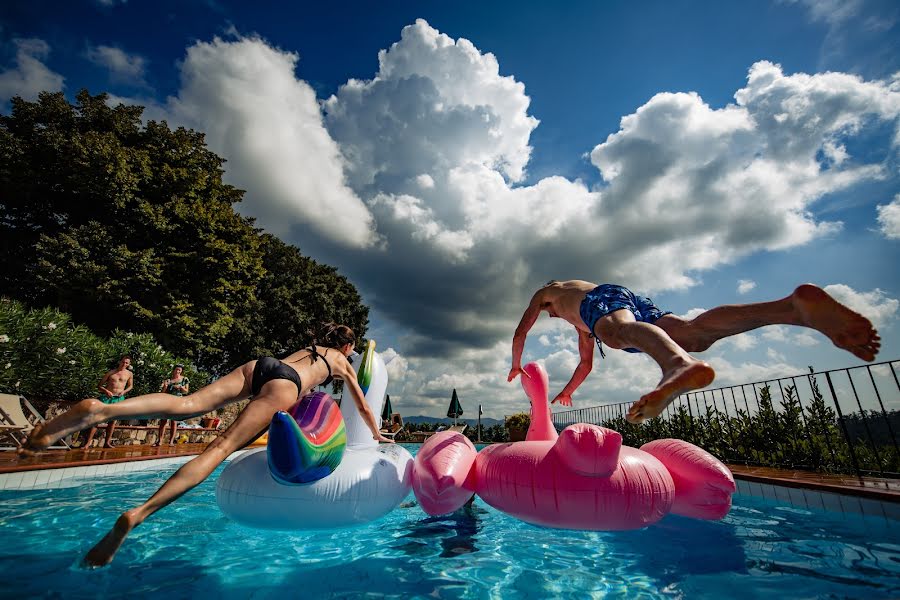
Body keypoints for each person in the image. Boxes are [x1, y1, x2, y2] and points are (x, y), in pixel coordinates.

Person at [19, 323, 394, 567]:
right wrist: (377, 436)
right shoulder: (341, 361)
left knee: (187, 405)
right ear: (346, 345)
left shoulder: (309, 346)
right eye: (350, 348)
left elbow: (294, 372)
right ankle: (141, 513)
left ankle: (102, 410)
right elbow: (360, 404)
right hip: (286, 384)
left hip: (260, 365)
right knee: (218, 449)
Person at [508, 281, 880, 425]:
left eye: (550, 313)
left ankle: (677, 365)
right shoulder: (583, 325)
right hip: (628, 299)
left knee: (617, 333)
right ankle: (790, 308)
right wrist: (569, 391)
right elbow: (585, 363)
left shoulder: (550, 292)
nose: (552, 316)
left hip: (605, 301)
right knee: (692, 333)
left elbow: (521, 329)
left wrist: (514, 364)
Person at [81, 355, 134, 449]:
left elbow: (130, 386)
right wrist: (106, 391)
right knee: (97, 420)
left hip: (118, 399)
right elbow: (99, 385)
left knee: (112, 422)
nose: (124, 364)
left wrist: (124, 391)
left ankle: (107, 443)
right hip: (107, 398)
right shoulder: (111, 372)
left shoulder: (129, 374)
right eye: (123, 361)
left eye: (126, 363)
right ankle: (87, 443)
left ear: (129, 364)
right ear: (120, 361)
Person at [154, 364, 189, 446]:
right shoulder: (168, 380)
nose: (178, 371)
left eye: (179, 370)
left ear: (181, 371)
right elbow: (163, 393)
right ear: (173, 370)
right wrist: (165, 386)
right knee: (163, 421)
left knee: (174, 421)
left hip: (177, 401)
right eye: (176, 369)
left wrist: (180, 387)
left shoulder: (184, 379)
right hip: (167, 401)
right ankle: (160, 441)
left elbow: (186, 391)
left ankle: (171, 441)